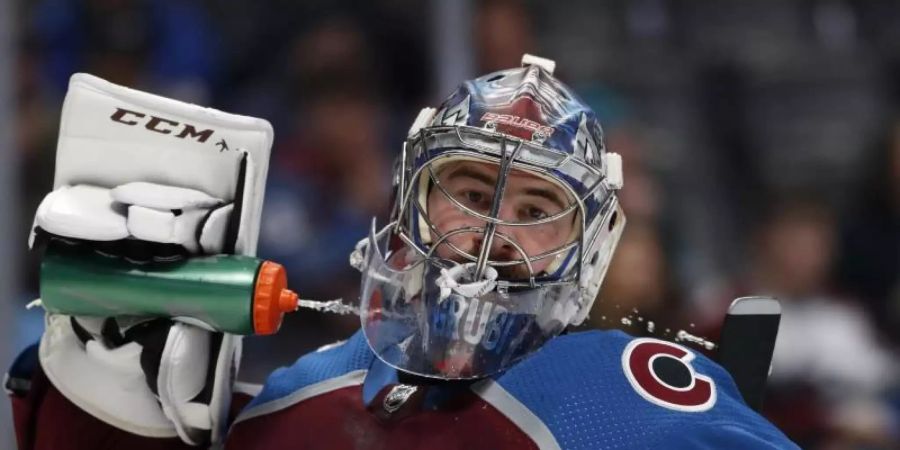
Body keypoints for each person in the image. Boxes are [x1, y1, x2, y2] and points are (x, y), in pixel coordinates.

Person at [7, 55, 797, 449]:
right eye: (473, 194)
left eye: (536, 209)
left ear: (588, 249)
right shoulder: (307, 390)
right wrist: (98, 397)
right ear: (409, 202)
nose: (493, 236)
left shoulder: (616, 392)